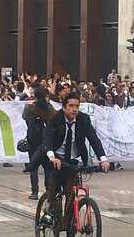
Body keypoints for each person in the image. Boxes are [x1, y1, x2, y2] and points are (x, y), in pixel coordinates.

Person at [42, 92, 110, 224]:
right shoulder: (55, 118)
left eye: (77, 106)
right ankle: (48, 208)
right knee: (54, 184)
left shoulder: (84, 119)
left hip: (73, 159)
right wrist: (52, 157)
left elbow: (93, 139)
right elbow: (48, 139)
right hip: (55, 157)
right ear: (64, 107)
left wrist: (103, 159)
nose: (74, 109)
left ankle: (69, 221)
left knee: (71, 191)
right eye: (71, 106)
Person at [22, 87, 56, 200]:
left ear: (35, 96)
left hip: (33, 141)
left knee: (33, 166)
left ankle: (35, 192)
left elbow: (24, 118)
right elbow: (55, 120)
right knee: (48, 168)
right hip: (46, 142)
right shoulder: (50, 108)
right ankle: (49, 191)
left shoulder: (29, 107)